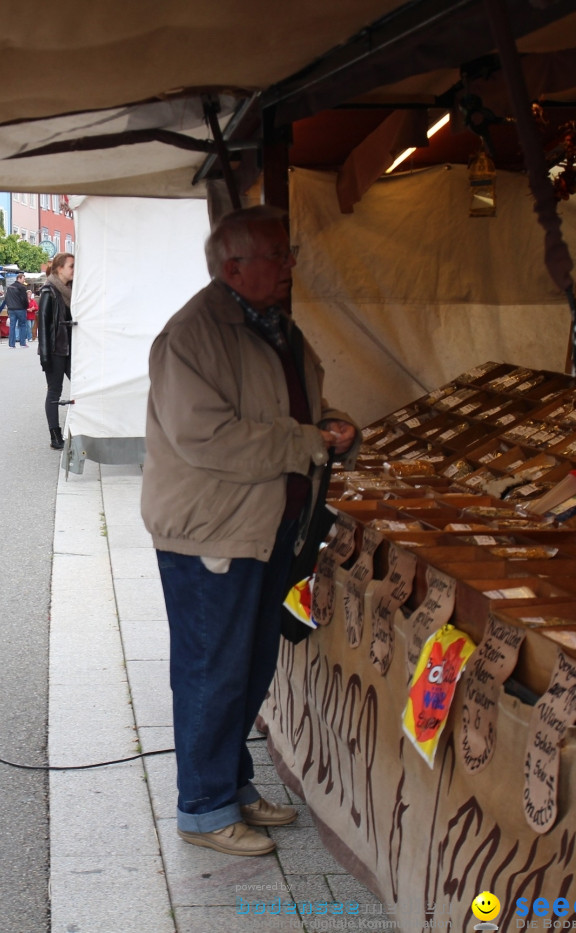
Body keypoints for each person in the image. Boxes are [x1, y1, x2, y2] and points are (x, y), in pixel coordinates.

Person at [141, 207, 358, 857]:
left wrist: (332, 427)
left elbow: (296, 409)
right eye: (276, 255)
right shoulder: (194, 333)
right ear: (233, 267)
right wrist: (308, 442)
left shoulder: (275, 326)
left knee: (252, 663)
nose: (290, 266)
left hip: (267, 528)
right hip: (213, 533)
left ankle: (229, 784)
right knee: (213, 669)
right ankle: (203, 808)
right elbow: (208, 436)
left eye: (288, 253)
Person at [36, 253, 75, 450]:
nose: (74, 270)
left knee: (81, 385)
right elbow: (42, 325)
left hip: (72, 348)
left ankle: (82, 429)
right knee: (54, 391)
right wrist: (44, 355)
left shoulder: (73, 291)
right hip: (54, 349)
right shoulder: (48, 291)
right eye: (71, 266)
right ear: (60, 268)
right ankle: (55, 435)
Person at [4, 271, 30, 348]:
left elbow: (7, 299)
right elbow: (24, 299)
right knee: (22, 325)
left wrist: (9, 307)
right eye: (23, 279)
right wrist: (26, 306)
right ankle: (22, 343)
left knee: (12, 326)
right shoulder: (22, 287)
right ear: (19, 278)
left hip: (11, 309)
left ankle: (11, 344)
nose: (24, 281)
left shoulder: (9, 287)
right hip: (20, 309)